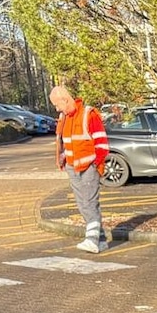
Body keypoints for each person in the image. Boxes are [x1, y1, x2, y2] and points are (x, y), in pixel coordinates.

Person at [49, 85, 111, 252]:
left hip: (89, 165)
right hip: (72, 166)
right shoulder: (64, 118)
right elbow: (64, 142)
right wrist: (62, 158)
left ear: (65, 99)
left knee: (89, 203)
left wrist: (96, 164)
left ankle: (91, 240)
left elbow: (101, 143)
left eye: (57, 104)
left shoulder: (88, 114)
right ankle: (101, 240)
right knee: (83, 203)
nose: (56, 108)